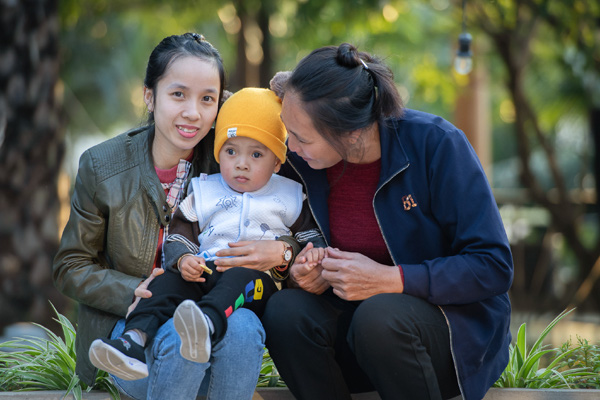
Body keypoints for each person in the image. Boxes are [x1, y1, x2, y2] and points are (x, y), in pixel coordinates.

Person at [262, 43, 514, 400]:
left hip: (446, 334)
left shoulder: (437, 145)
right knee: (286, 311)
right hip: (354, 333)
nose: (291, 146)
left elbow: (493, 266)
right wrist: (302, 271)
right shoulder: (301, 162)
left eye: (302, 138)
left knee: (379, 317)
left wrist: (390, 280)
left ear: (350, 133)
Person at [52, 33, 293, 400]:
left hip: (213, 312)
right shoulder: (102, 166)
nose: (193, 113)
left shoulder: (233, 158)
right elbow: (70, 265)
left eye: (207, 99)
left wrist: (283, 252)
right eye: (178, 94)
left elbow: (292, 208)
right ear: (150, 96)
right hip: (135, 323)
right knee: (180, 335)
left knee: (243, 326)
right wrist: (134, 291)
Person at [87, 88, 326, 381]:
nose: (241, 163)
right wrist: (184, 258)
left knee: (241, 276)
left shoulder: (289, 195)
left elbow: (312, 239)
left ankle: (206, 324)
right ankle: (132, 341)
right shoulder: (205, 190)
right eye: (230, 151)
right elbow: (179, 232)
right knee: (165, 283)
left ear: (277, 162)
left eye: (256, 154)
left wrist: (306, 255)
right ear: (219, 154)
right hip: (205, 272)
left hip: (257, 282)